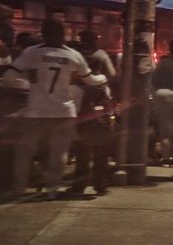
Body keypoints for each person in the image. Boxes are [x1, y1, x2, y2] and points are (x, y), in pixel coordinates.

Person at [6, 19, 107, 201]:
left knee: (24, 152)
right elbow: (91, 80)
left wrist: (29, 84)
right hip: (63, 111)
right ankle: (51, 190)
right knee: (58, 153)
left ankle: (18, 190)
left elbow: (9, 78)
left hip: (35, 111)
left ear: (42, 33)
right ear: (64, 34)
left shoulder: (31, 53)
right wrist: (102, 78)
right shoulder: (73, 55)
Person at [68, 55, 117, 195]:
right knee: (101, 158)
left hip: (84, 125)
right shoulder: (104, 85)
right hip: (101, 126)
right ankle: (100, 186)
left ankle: (79, 186)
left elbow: (75, 107)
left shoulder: (78, 87)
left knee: (82, 157)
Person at [0, 66, 30, 195]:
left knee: (5, 157)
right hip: (23, 123)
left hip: (5, 124)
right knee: (20, 158)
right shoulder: (26, 84)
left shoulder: (3, 85)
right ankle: (18, 186)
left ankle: (5, 185)